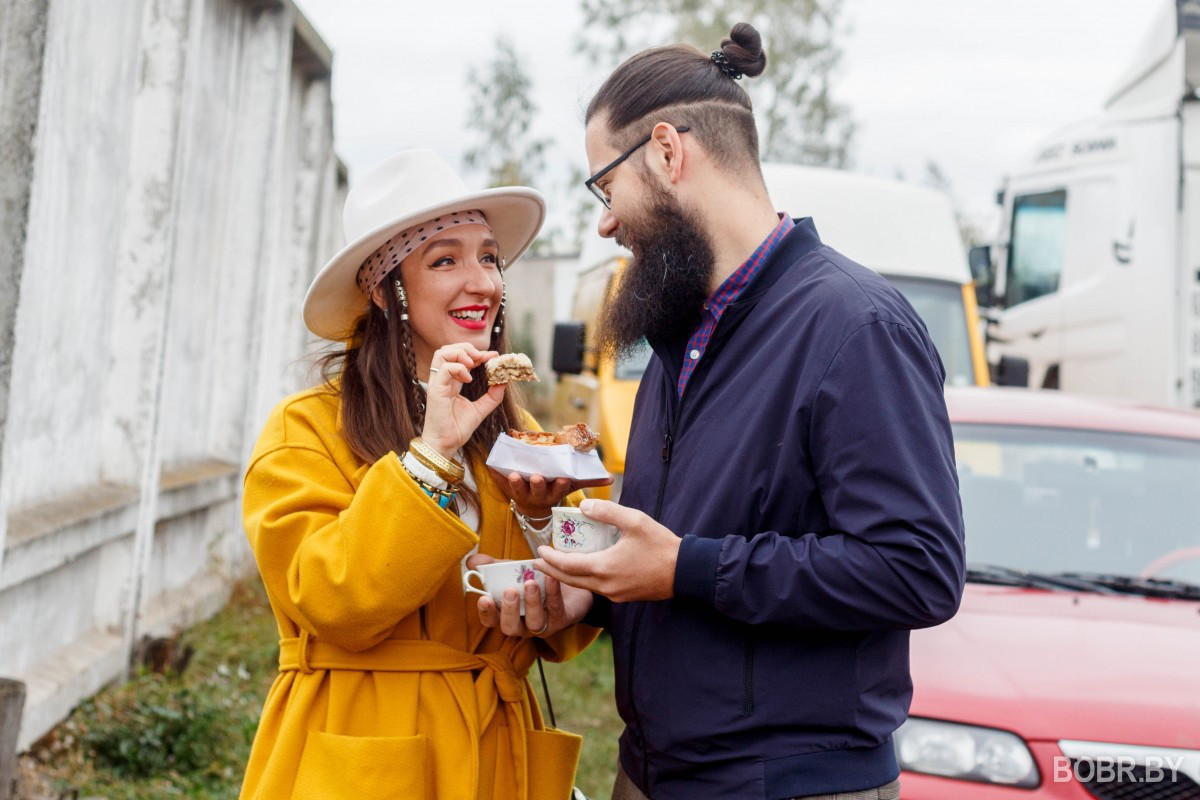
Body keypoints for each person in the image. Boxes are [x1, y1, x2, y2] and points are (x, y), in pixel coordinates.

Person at [477, 22, 966, 800]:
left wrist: (685, 569)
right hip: (655, 772)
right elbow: (682, 543)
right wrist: (593, 591)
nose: (604, 223)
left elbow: (917, 570)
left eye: (605, 188)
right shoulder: (679, 333)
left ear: (668, 153)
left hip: (790, 785)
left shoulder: (855, 327)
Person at [239, 149, 598, 800]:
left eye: (488, 256)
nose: (483, 281)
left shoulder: (511, 432)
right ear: (385, 291)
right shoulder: (306, 429)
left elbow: (564, 627)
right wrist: (431, 452)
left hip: (496, 751)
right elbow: (336, 603)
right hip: (363, 750)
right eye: (445, 260)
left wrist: (545, 529)